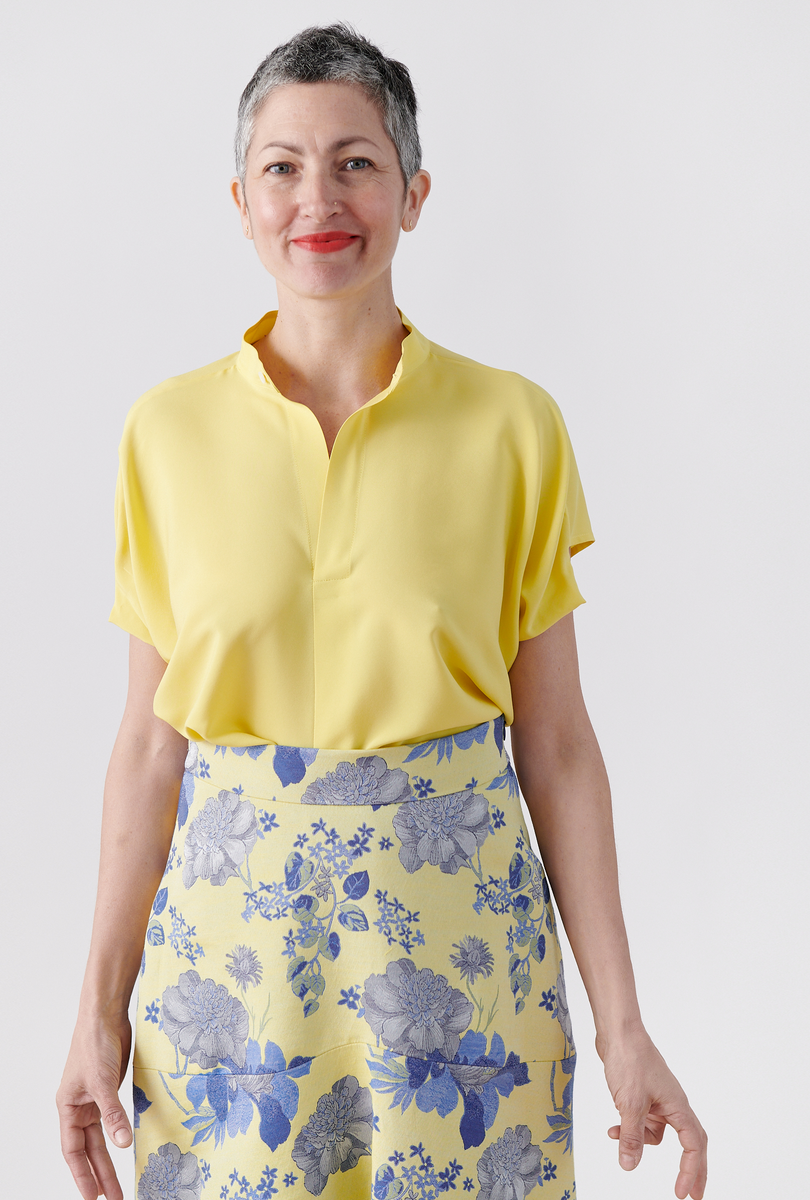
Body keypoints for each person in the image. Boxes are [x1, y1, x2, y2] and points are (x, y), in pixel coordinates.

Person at [57, 23, 707, 1200]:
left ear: (414, 192)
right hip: (234, 975)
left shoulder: (513, 425)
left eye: (356, 162)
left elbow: (556, 744)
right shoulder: (166, 431)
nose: (320, 198)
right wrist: (94, 1014)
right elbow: (150, 746)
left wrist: (623, 1027)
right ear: (240, 199)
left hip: (462, 955)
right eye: (284, 167)